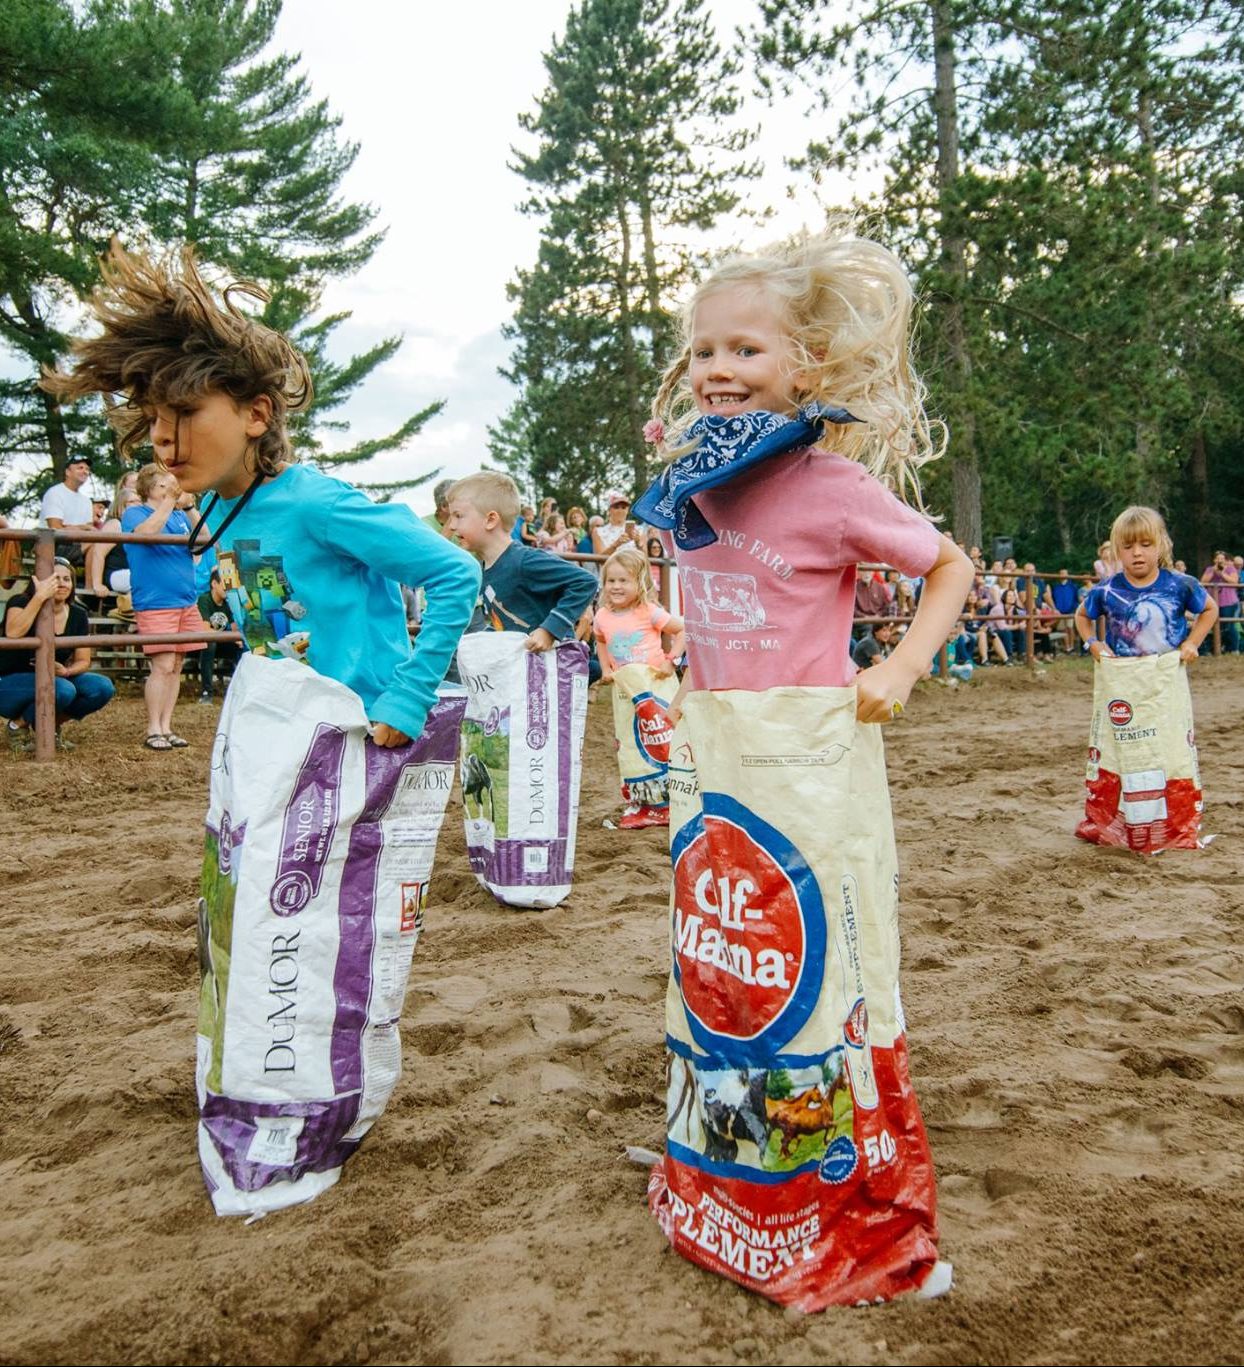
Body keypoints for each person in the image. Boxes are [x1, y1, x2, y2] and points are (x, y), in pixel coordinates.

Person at [634, 224, 971, 1307]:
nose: (719, 371)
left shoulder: (831, 486)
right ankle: (723, 1176)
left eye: (745, 351)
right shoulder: (691, 480)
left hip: (808, 766)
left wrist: (903, 663)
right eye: (702, 353)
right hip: (713, 758)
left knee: (817, 975)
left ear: (804, 371)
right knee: (724, 965)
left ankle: (844, 1204)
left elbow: (950, 564)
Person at [43, 243, 480, 757]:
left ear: (256, 414)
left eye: (183, 411)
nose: (161, 438)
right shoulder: (220, 510)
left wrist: (408, 698)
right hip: (289, 736)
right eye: (155, 417)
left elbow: (457, 573)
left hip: (367, 741)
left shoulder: (317, 503)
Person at [446, 472, 597, 650]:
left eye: (458, 516)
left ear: (490, 519)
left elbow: (585, 582)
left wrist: (549, 630)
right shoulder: (484, 569)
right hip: (522, 668)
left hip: (555, 667)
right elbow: (505, 620)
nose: (451, 526)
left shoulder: (524, 560)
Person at [120, 465, 207, 750]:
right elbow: (146, 534)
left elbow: (205, 540)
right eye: (166, 485)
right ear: (152, 489)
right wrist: (171, 501)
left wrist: (190, 506)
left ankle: (167, 726)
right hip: (156, 602)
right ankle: (153, 728)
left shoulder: (180, 516)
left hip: (185, 599)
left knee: (177, 665)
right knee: (162, 665)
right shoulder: (135, 513)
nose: (173, 489)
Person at [0, 557, 114, 749]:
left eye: (67, 579)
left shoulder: (78, 614)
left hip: (54, 678)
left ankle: (48, 725)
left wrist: (67, 672)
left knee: (102, 687)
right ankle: (16, 726)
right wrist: (40, 597)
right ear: (41, 581)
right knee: (63, 689)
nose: (61, 583)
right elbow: (13, 632)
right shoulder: (20, 601)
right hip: (9, 682)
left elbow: (83, 660)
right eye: (55, 578)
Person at [1076, 507, 1216, 660]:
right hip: (1120, 678)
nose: (1136, 552)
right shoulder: (1106, 589)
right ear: (1117, 550)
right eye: (1128, 546)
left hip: (1168, 677)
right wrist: (1092, 643)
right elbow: (1081, 615)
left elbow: (1210, 609)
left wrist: (1192, 643)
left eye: (1146, 544)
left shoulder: (1181, 584)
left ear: (1161, 545)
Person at [593, 544, 685, 682]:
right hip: (625, 688)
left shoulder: (649, 611)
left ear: (640, 583)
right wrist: (605, 668)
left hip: (655, 683)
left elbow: (682, 631)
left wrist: (671, 661)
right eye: (611, 581)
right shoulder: (601, 616)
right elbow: (601, 641)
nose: (616, 586)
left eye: (623, 581)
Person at [84, 472, 140, 597]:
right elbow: (98, 553)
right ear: (121, 506)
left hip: (133, 572)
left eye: (139, 502)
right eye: (133, 502)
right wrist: (97, 584)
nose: (138, 505)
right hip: (116, 574)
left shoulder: (139, 527)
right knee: (147, 577)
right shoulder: (115, 524)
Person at [39, 453, 96, 566]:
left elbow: (90, 530)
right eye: (80, 468)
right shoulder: (55, 493)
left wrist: (71, 527)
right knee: (96, 543)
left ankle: (93, 583)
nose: (85, 471)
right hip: (53, 546)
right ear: (68, 472)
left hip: (79, 545)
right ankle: (92, 583)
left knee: (101, 544)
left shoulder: (87, 501)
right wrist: (80, 528)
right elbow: (55, 528)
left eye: (87, 469)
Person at [196, 569, 241, 702]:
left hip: (221, 642)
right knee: (210, 644)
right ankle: (206, 692)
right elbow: (205, 629)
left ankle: (238, 691)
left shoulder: (228, 603)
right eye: (224, 585)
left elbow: (234, 628)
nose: (227, 589)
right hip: (203, 643)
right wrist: (229, 636)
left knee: (241, 647)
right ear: (214, 583)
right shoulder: (204, 599)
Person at [1200, 550, 1239, 653]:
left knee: (1228, 625)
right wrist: (1214, 571)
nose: (1220, 560)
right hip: (1214, 603)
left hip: (1229, 602)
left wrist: (1222, 574)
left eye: (1222, 559)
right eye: (1218, 558)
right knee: (1215, 626)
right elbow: (1203, 581)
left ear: (1226, 560)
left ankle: (1233, 648)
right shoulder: (1210, 569)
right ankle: (1218, 648)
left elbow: (1234, 581)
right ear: (1214, 560)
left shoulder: (1231, 569)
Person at [592, 492, 636, 558]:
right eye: (616, 507)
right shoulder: (598, 532)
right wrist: (616, 544)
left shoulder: (639, 530)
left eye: (623, 507)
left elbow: (646, 560)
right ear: (609, 510)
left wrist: (639, 543)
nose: (620, 511)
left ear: (627, 510)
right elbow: (599, 560)